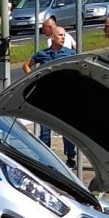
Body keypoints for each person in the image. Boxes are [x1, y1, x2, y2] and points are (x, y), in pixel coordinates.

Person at [23, 25, 77, 168]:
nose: (63, 38)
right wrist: (34, 79)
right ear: (52, 37)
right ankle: (45, 158)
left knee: (67, 130)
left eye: (64, 35)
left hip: (65, 98)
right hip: (47, 99)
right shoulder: (43, 54)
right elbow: (27, 65)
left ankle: (71, 157)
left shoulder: (69, 53)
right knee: (45, 130)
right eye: (60, 35)